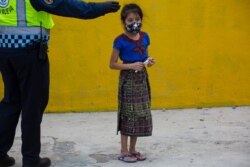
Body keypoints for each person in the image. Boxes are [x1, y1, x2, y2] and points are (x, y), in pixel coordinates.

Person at [0, 0, 120, 167]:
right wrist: (101, 8)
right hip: (28, 51)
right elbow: (65, 5)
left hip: (5, 50)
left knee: (11, 102)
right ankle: (31, 159)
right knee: (32, 106)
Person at [109, 3, 155, 163]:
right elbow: (112, 64)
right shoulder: (120, 41)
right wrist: (131, 65)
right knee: (128, 115)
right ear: (124, 22)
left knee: (139, 114)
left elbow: (143, 58)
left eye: (137, 19)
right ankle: (123, 151)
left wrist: (148, 61)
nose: (134, 23)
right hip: (128, 81)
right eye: (130, 20)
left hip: (142, 79)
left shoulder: (145, 37)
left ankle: (133, 149)